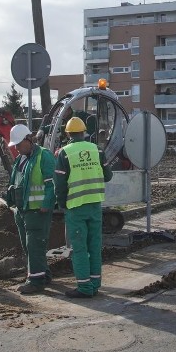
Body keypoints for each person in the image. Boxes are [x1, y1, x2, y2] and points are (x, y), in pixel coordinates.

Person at [55, 116, 112, 299]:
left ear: (68, 134)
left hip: (76, 207)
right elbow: (108, 175)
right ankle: (95, 284)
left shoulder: (65, 153)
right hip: (95, 204)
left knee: (79, 248)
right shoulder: (97, 149)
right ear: (84, 132)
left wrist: (62, 204)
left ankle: (84, 287)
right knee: (95, 246)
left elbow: (60, 184)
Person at [6, 123, 56, 295]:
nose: (17, 148)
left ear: (29, 139)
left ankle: (35, 281)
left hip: (37, 210)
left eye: (19, 144)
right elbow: (16, 182)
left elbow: (52, 183)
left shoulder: (44, 156)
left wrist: (47, 204)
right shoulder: (21, 160)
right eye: (16, 145)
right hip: (23, 210)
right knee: (28, 247)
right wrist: (10, 200)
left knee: (34, 245)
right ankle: (43, 274)